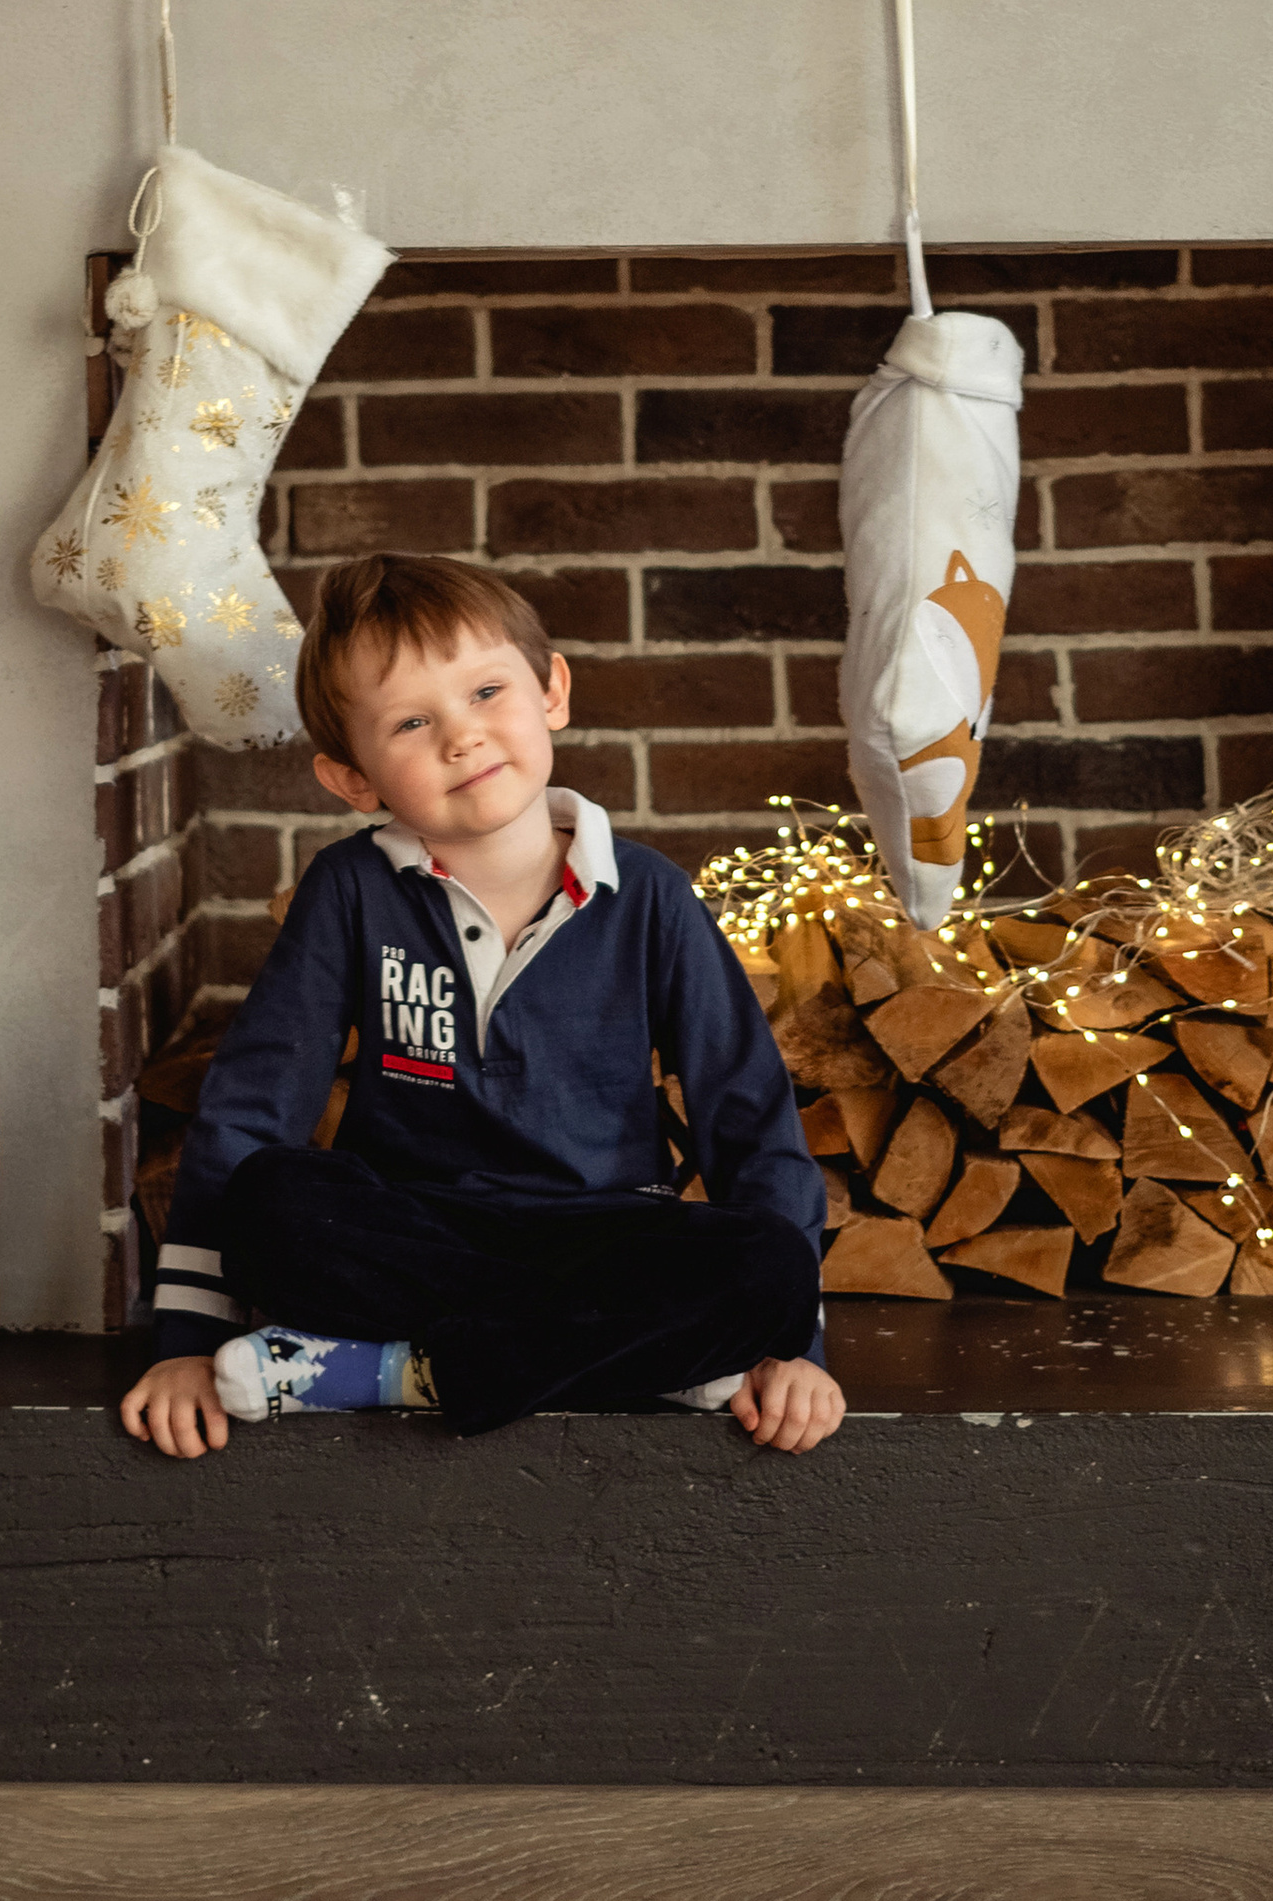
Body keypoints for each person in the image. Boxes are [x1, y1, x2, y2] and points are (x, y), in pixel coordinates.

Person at [120, 552, 845, 1458]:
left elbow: (747, 1117)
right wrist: (189, 1346)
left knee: (766, 1265)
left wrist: (793, 1347)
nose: (461, 737)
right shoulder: (351, 889)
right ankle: (639, 1361)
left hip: (604, 1234)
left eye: (488, 692)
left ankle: (397, 1373)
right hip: (417, 1231)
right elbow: (254, 1102)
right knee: (274, 1199)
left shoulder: (650, 897)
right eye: (413, 721)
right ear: (353, 778)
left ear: (552, 692)